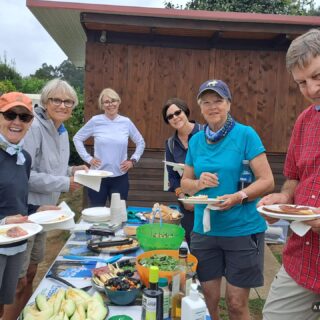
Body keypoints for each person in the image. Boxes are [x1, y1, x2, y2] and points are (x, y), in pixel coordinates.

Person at [181, 79, 274, 320]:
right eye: (206, 102)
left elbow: (266, 181)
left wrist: (238, 196)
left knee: (235, 303)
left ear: (229, 104)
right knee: (208, 301)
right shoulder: (196, 141)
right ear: (200, 108)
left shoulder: (246, 135)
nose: (213, 107)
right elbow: (185, 185)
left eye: (218, 101)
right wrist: (200, 183)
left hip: (241, 230)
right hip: (205, 231)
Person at [3, 79, 88, 320]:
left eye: (68, 101)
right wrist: (65, 182)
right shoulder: (34, 127)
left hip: (43, 213)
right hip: (22, 214)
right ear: (45, 101)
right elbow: (25, 176)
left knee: (31, 271)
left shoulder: (60, 130)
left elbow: (51, 168)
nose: (63, 105)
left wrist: (72, 170)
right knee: (16, 281)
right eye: (56, 100)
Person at [259, 29, 320, 320]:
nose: (311, 90)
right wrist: (282, 199)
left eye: (317, 76)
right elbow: (294, 176)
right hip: (304, 258)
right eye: (301, 83)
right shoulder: (305, 121)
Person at [0, 92, 56, 319]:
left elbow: (17, 202)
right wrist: (2, 222)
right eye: (10, 114)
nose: (17, 122)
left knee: (5, 303)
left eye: (24, 117)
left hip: (16, 241)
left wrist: (36, 210)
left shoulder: (23, 157)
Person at [73, 87, 145, 206]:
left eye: (113, 100)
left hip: (120, 177)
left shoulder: (126, 122)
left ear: (118, 102)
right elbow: (77, 138)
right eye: (106, 102)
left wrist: (133, 160)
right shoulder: (96, 121)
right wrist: (88, 158)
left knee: (118, 213)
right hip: (97, 176)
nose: (110, 104)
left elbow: (140, 142)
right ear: (102, 105)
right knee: (96, 213)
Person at [162, 97, 203, 247]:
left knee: (210, 245)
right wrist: (182, 197)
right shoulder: (170, 144)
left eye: (177, 112)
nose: (175, 117)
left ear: (185, 111)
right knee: (192, 241)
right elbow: (172, 176)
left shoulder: (206, 133)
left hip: (209, 198)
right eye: (170, 116)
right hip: (186, 203)